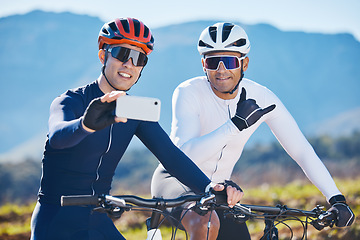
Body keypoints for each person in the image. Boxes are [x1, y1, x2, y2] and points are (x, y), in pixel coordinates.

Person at [30, 18, 243, 240]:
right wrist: (85, 124)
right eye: (122, 54)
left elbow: (170, 156)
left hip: (97, 220)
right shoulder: (71, 101)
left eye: (139, 58)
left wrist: (210, 188)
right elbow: (57, 137)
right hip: (55, 220)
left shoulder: (135, 109)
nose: (129, 65)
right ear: (103, 55)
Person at [151, 22, 355, 239]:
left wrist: (336, 199)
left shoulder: (263, 98)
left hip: (219, 192)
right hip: (174, 180)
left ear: (244, 63)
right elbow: (183, 156)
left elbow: (302, 151)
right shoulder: (188, 92)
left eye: (229, 61)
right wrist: (234, 126)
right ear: (203, 64)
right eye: (213, 62)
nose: (221, 70)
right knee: (205, 224)